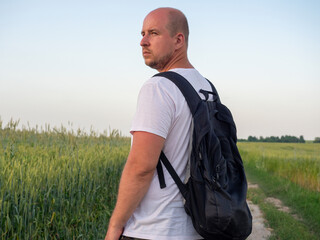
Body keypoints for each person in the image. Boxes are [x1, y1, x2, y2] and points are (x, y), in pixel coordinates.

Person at [105, 7, 212, 240]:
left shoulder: (158, 88)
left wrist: (115, 226)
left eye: (153, 33)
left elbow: (140, 168)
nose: (143, 42)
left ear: (178, 40)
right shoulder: (207, 89)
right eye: (142, 33)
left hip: (154, 228)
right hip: (199, 228)